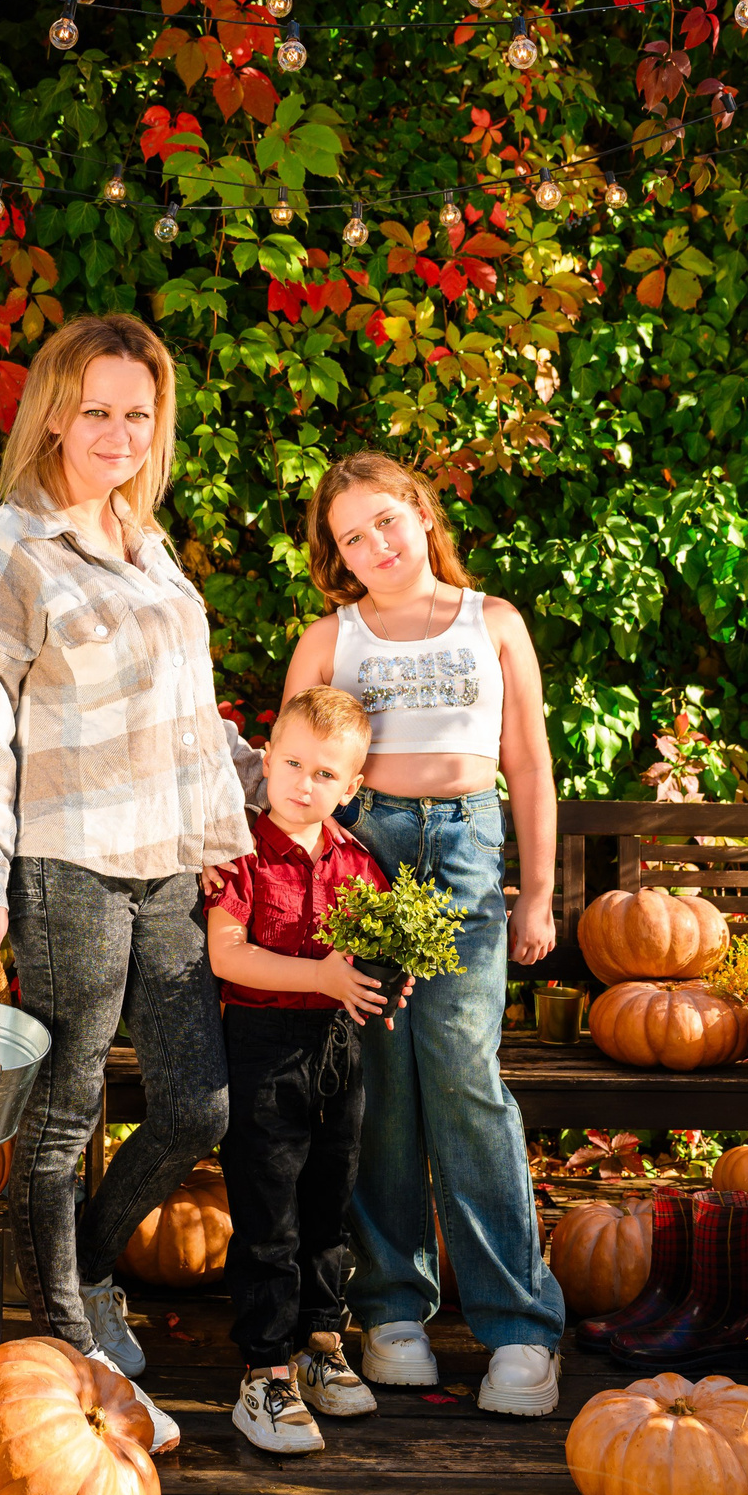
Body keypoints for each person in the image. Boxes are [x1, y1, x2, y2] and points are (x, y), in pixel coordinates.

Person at [0, 314, 264, 1453]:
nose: (120, 433)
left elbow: (186, 713)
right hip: (68, 863)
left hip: (168, 861)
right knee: (64, 1105)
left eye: (139, 413)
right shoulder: (8, 548)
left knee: (195, 1105)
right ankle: (67, 1332)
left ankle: (74, 1268)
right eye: (98, 412)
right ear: (54, 413)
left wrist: (263, 786)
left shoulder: (147, 539)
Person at [281, 451, 567, 1416]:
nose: (374, 547)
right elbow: (293, 778)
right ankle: (393, 1308)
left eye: (385, 522)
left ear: (421, 512)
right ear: (337, 556)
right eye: (351, 537)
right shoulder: (332, 638)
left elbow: (527, 759)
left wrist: (536, 893)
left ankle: (520, 1325)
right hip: (364, 853)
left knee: (462, 1072)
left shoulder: (494, 622)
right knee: (379, 1080)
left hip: (465, 851)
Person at [203, 686, 400, 1455]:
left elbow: (376, 961)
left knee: (328, 1202)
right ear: (267, 760)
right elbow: (227, 952)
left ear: (351, 787)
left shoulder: (360, 862)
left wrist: (390, 977)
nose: (302, 782)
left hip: (339, 1052)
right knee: (267, 1215)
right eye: (290, 762)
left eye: (324, 773)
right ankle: (264, 1370)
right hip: (263, 1046)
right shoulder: (242, 852)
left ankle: (321, 1343)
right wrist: (319, 976)